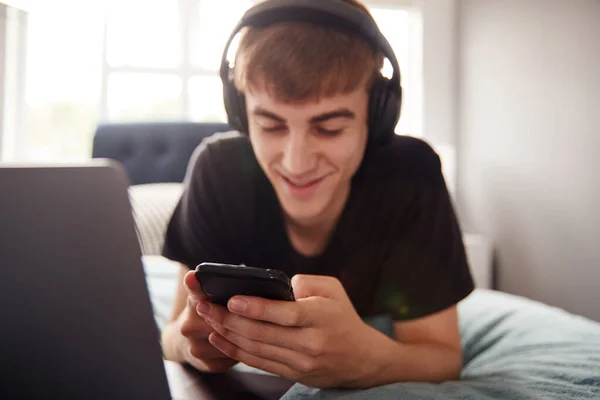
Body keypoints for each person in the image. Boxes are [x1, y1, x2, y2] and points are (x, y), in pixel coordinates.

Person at [160, 0, 475, 392]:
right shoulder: (217, 169)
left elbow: (442, 356)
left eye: (329, 128)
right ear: (242, 114)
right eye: (271, 125)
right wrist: (193, 347)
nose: (297, 163)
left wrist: (366, 359)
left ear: (376, 116)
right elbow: (172, 335)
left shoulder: (411, 176)